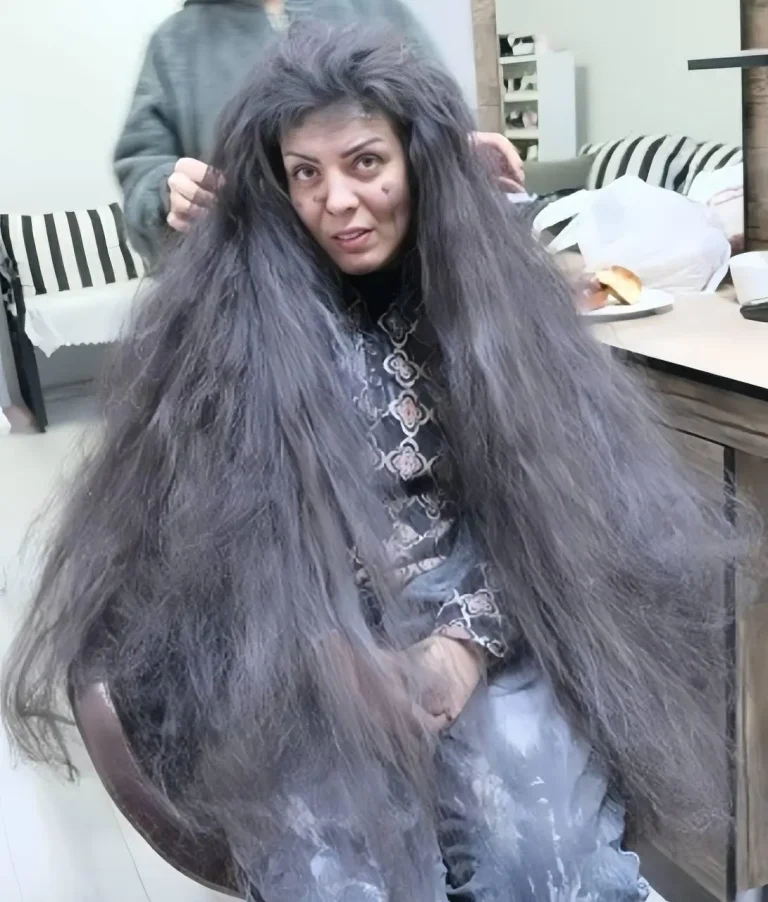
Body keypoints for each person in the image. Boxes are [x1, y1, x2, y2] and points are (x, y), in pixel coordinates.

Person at [5, 23, 744, 902]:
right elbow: (209, 549)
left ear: (417, 161)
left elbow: (558, 509)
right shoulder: (228, 329)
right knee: (353, 873)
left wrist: (463, 645)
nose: (339, 202)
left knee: (545, 860)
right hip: (291, 636)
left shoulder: (490, 306)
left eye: (366, 163)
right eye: (305, 174)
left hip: (488, 603)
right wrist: (330, 654)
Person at [115, 0, 524, 263]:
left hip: (402, 286)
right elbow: (142, 170)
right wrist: (167, 193)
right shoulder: (175, 44)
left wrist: (456, 154)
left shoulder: (377, 9)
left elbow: (434, 117)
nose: (338, 201)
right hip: (251, 292)